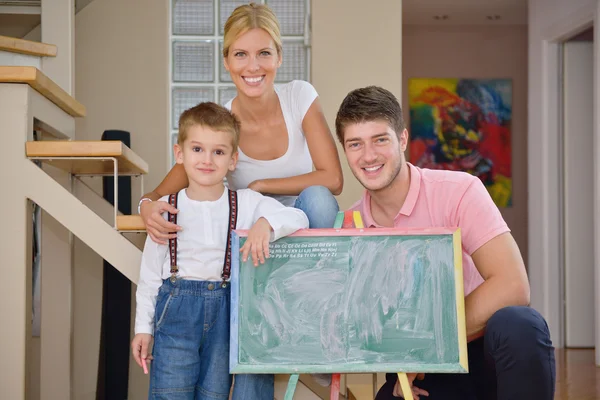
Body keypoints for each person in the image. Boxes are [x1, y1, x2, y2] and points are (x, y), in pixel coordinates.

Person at [138, 4, 342, 396]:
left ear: (279, 57)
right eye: (241, 54)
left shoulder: (299, 97)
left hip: (300, 240)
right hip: (253, 262)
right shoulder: (221, 128)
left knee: (316, 198)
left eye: (264, 53)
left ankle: (316, 329)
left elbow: (331, 179)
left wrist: (262, 186)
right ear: (227, 60)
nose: (254, 65)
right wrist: (148, 207)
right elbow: (163, 191)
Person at [334, 86, 555, 400]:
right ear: (345, 151)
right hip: (422, 370)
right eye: (355, 144)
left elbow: (513, 285)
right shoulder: (347, 228)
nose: (368, 155)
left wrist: (425, 345)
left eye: (380, 139)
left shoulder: (460, 190)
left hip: (478, 344)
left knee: (521, 324)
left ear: (402, 139)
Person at [131, 102, 309, 399]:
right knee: (169, 393)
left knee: (213, 395)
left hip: (225, 318)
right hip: (175, 315)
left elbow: (299, 216)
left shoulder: (247, 202)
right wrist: (143, 328)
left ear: (233, 159)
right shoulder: (165, 210)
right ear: (180, 154)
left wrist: (265, 223)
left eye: (219, 151)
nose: (207, 160)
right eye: (197, 149)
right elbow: (149, 277)